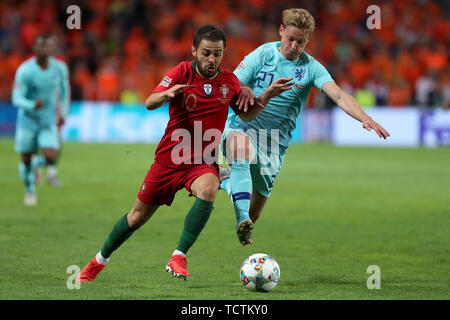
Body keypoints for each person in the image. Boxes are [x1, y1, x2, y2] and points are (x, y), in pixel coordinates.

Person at [77, 25, 293, 282]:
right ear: (194, 51)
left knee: (210, 188)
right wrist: (166, 94)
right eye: (206, 53)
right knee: (136, 217)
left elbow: (246, 113)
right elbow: (149, 102)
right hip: (170, 159)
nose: (211, 59)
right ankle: (99, 261)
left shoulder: (230, 82)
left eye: (217, 54)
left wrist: (266, 95)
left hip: (201, 162)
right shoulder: (181, 72)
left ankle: (179, 255)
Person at [220, 8, 390, 246]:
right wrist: (243, 88)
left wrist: (364, 117)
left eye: (301, 42)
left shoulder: (311, 68)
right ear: (281, 31)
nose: (294, 46)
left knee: (255, 213)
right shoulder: (262, 55)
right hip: (243, 127)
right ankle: (241, 217)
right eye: (290, 39)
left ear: (308, 40)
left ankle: (228, 186)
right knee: (241, 152)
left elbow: (339, 96)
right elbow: (231, 83)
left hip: (274, 145)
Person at [12, 34, 70, 206]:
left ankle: (38, 163)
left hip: (48, 120)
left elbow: (65, 91)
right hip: (27, 121)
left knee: (51, 155)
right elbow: (16, 97)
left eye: (47, 46)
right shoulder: (25, 70)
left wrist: (64, 113)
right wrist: (31, 104)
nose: (44, 49)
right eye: (40, 46)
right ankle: (30, 191)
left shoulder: (59, 68)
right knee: (25, 159)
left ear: (52, 49)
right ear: (34, 49)